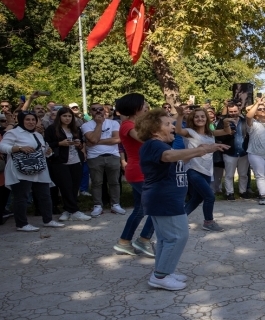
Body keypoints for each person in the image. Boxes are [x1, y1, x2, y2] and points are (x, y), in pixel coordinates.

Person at [137, 108, 228, 291]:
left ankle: (163, 272)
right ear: (155, 130)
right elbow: (169, 157)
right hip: (164, 199)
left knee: (166, 238)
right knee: (178, 236)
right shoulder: (154, 144)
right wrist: (202, 150)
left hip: (165, 199)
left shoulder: (162, 145)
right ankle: (160, 276)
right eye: (168, 124)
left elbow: (176, 160)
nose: (173, 127)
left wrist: (199, 149)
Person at [0, 111, 66, 231]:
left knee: (45, 195)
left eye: (33, 120)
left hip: (39, 169)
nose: (31, 122)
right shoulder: (13, 133)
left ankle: (48, 220)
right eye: (27, 119)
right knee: (21, 197)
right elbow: (1, 147)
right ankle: (21, 224)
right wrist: (19, 148)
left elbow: (42, 151)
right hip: (20, 170)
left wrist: (48, 152)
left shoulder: (37, 135)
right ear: (21, 120)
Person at [111, 93, 157, 256]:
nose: (146, 106)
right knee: (157, 207)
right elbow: (144, 139)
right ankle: (144, 240)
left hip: (141, 171)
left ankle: (124, 242)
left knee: (140, 210)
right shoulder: (127, 125)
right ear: (135, 107)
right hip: (139, 172)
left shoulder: (135, 123)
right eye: (143, 104)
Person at [176, 107, 232, 231]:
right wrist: (180, 116)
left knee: (197, 197)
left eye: (202, 116)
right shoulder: (190, 132)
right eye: (197, 116)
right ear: (192, 119)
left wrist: (226, 123)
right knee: (209, 196)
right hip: (192, 169)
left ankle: (179, 219)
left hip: (206, 170)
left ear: (206, 118)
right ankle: (208, 222)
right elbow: (178, 130)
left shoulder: (210, 133)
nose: (200, 118)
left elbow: (226, 131)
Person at [44, 107, 91, 221]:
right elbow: (47, 144)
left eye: (69, 116)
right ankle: (74, 210)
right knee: (65, 186)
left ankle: (68, 210)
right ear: (59, 117)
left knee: (74, 187)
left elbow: (81, 144)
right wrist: (60, 143)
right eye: (64, 116)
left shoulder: (76, 129)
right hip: (60, 161)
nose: (67, 118)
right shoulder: (52, 129)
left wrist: (78, 144)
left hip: (75, 160)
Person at [81, 103, 126, 217]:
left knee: (114, 182)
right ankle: (97, 206)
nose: (98, 111)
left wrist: (95, 142)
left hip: (113, 155)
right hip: (95, 157)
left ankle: (115, 204)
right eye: (94, 109)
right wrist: (99, 124)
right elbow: (92, 138)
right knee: (97, 183)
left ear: (104, 110)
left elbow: (117, 139)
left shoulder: (114, 123)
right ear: (90, 112)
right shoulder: (86, 125)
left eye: (100, 109)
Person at [215, 102, 250, 201]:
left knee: (243, 174)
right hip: (229, 151)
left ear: (239, 110)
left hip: (243, 151)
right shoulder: (223, 121)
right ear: (228, 111)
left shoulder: (244, 121)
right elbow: (218, 136)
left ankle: (243, 191)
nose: (233, 113)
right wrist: (228, 134)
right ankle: (229, 193)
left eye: (235, 111)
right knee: (229, 174)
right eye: (231, 111)